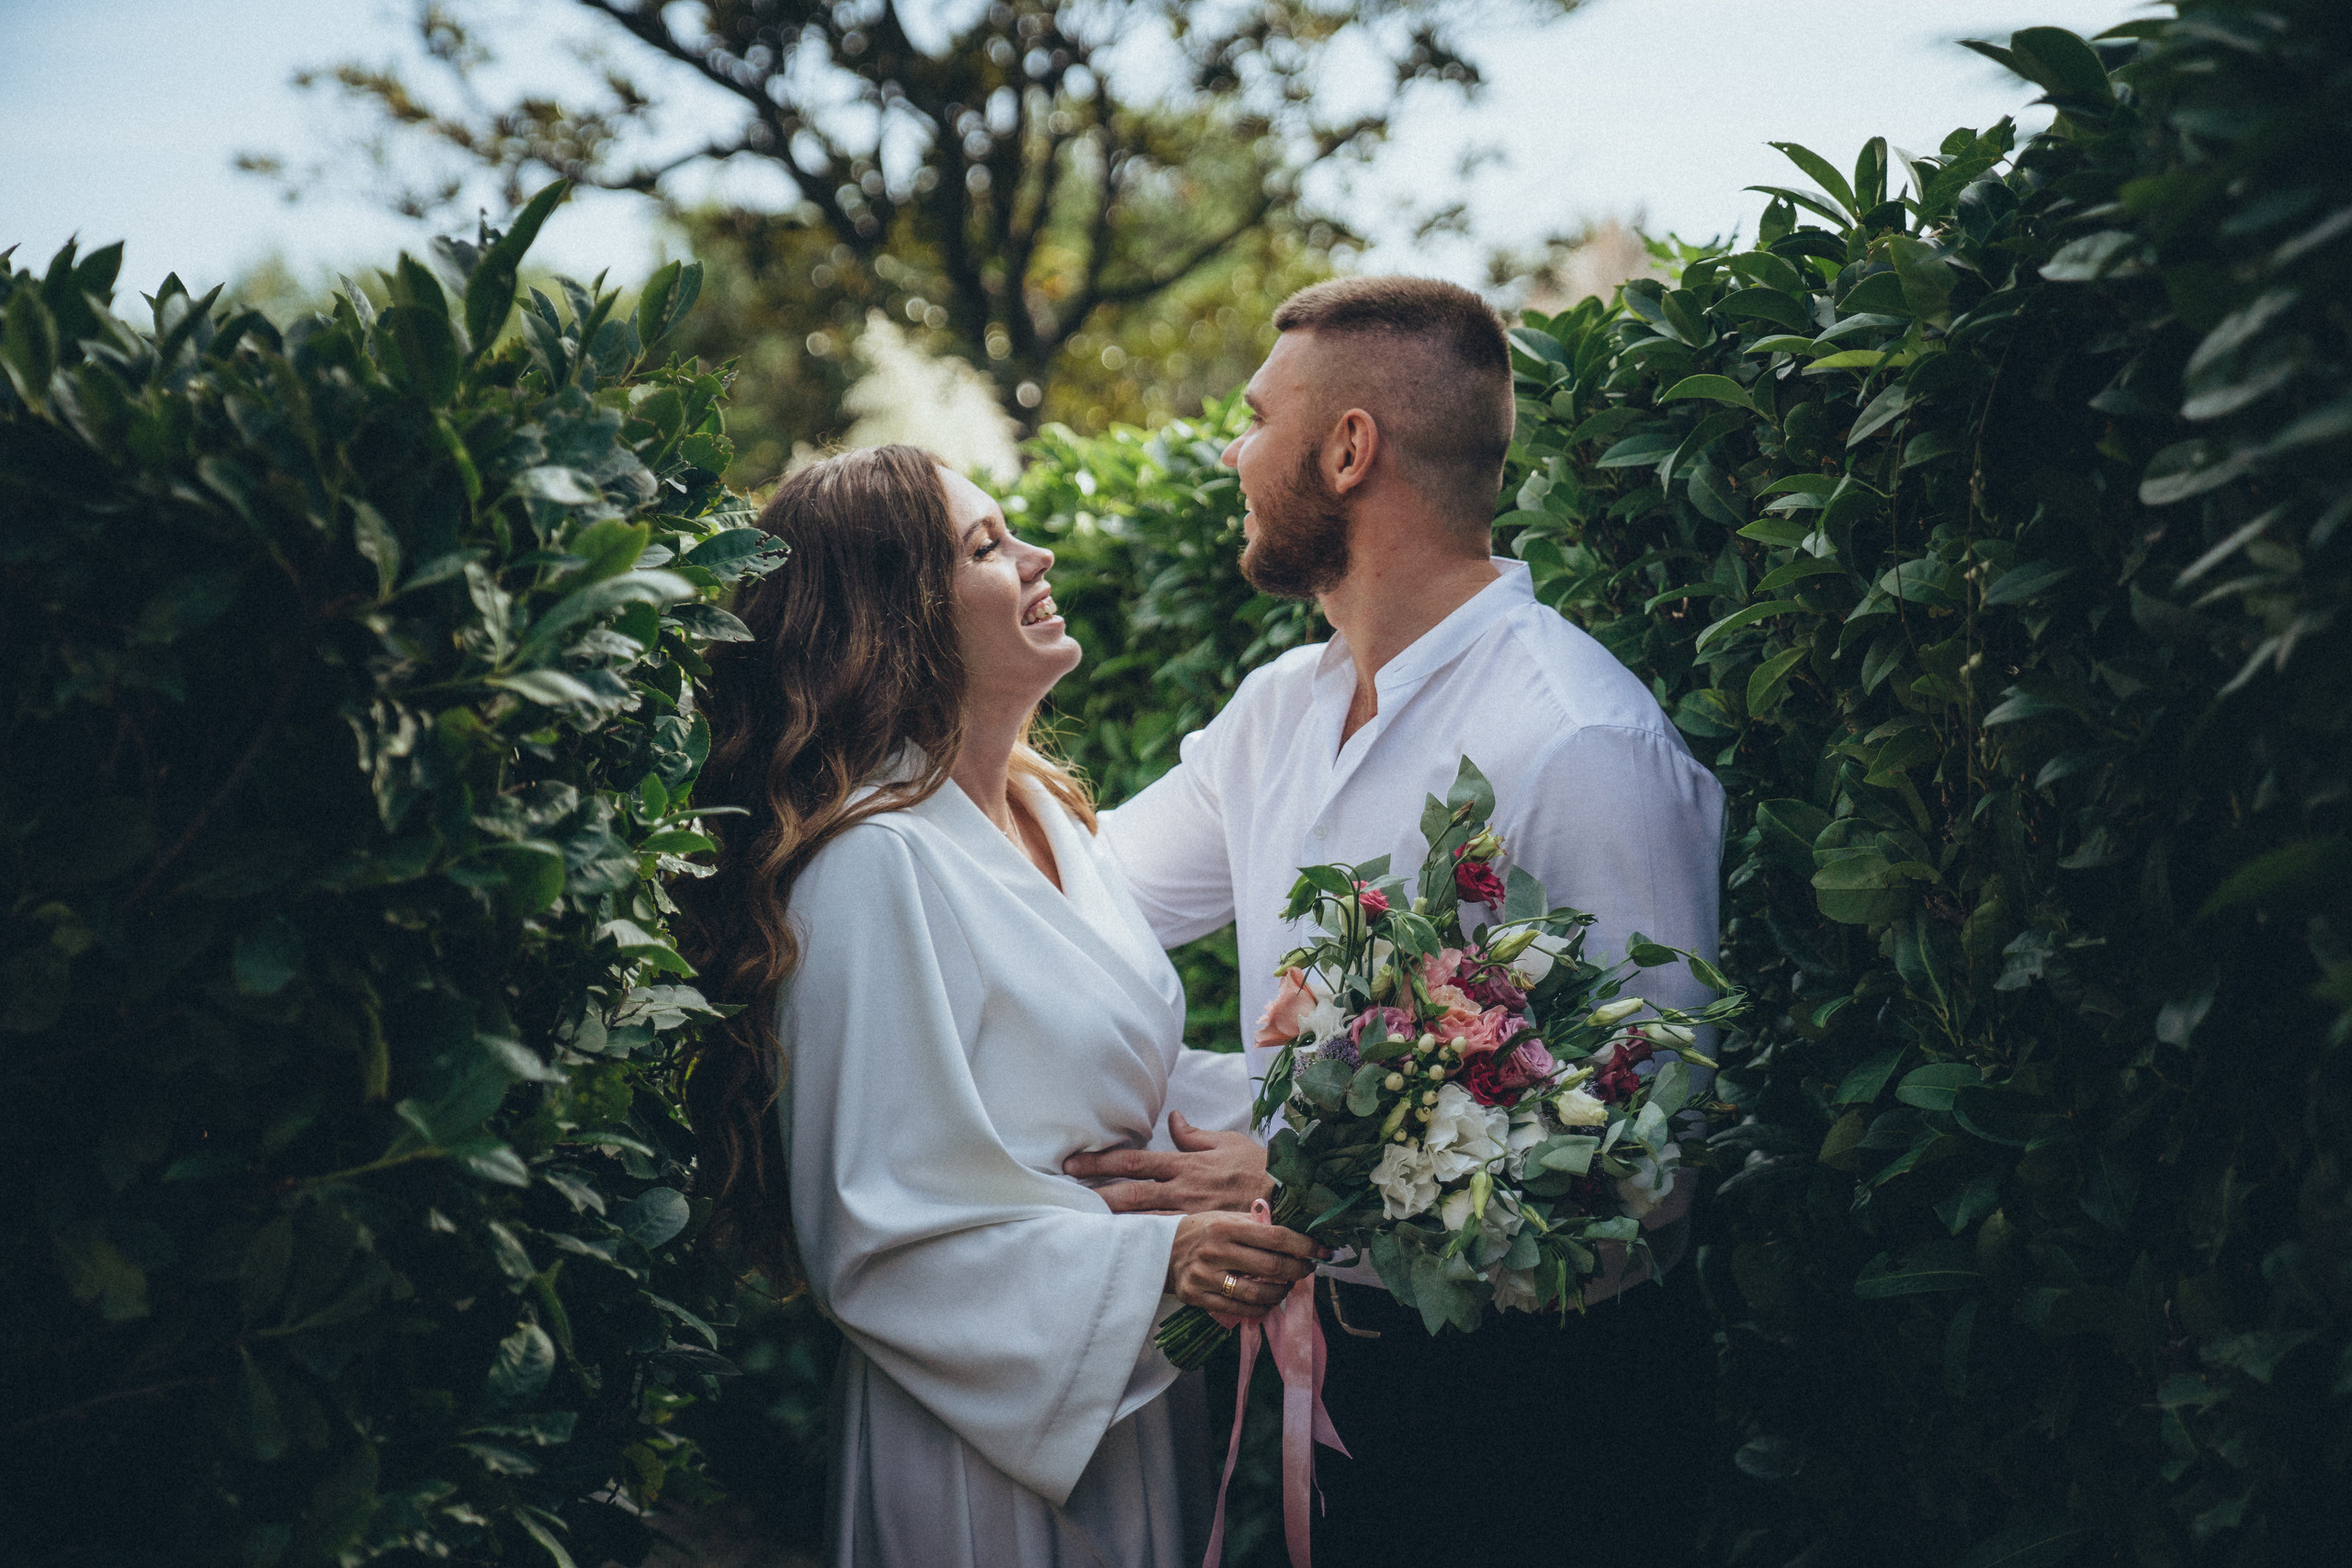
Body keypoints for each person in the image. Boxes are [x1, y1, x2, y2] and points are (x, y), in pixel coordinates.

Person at [1066, 277, 1727, 1565]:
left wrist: (1312, 1176)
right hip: (1355, 1373)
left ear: (1349, 447)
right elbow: (1076, 902)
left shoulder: (1578, 741)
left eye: (1255, 418)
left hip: (1553, 1406)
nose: (1229, 450)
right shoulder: (1273, 714)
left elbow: (1656, 1152)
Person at [672, 446, 1323, 1568]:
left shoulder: (1043, 815)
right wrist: (1154, 1265)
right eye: (985, 546)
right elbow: (873, 1231)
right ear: (895, 614)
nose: (1037, 555)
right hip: (982, 1432)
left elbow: (1102, 1082)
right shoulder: (872, 866)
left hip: (1119, 1390)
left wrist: (1338, 1111)